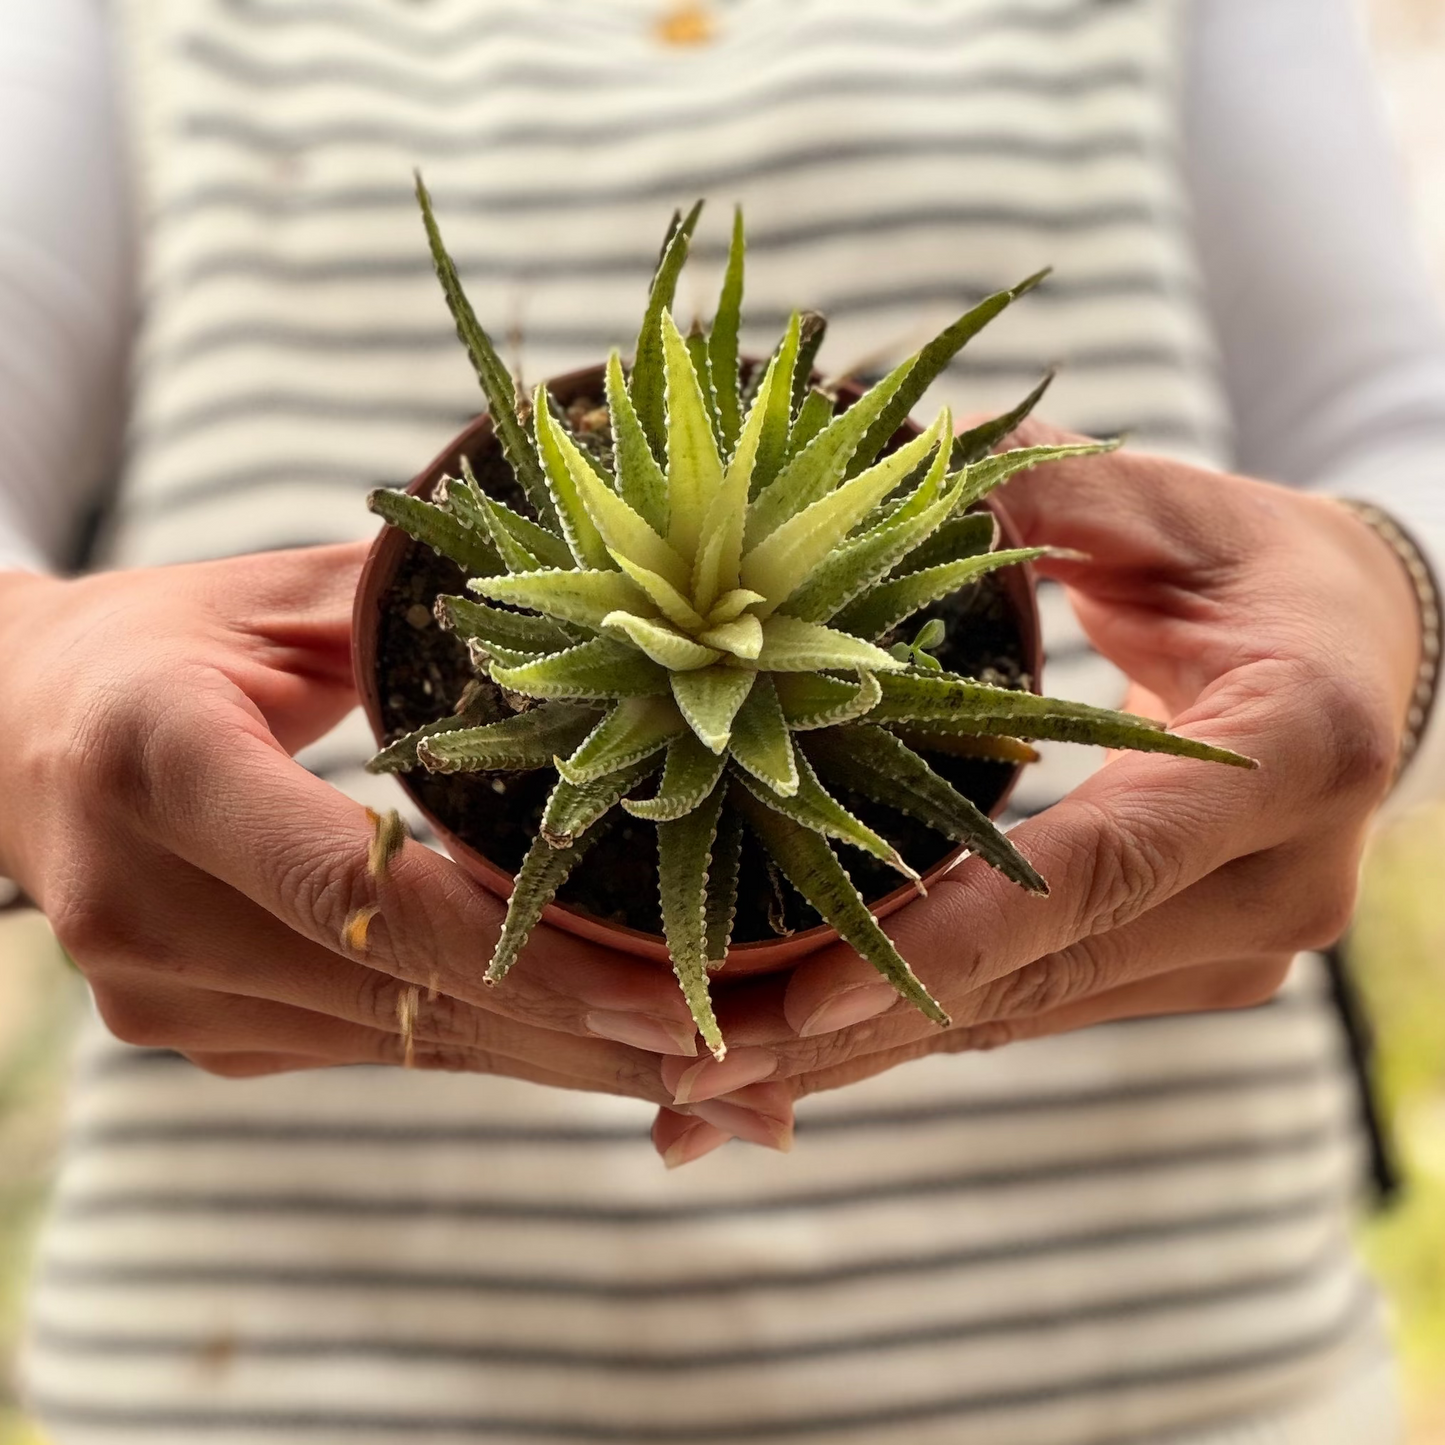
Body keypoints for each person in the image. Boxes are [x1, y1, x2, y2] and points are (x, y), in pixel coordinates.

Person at [3, 0, 1445, 1439]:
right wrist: (31, 726)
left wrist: (1393, 618)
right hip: (281, 1376)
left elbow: (1396, 421)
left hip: (1166, 1367)